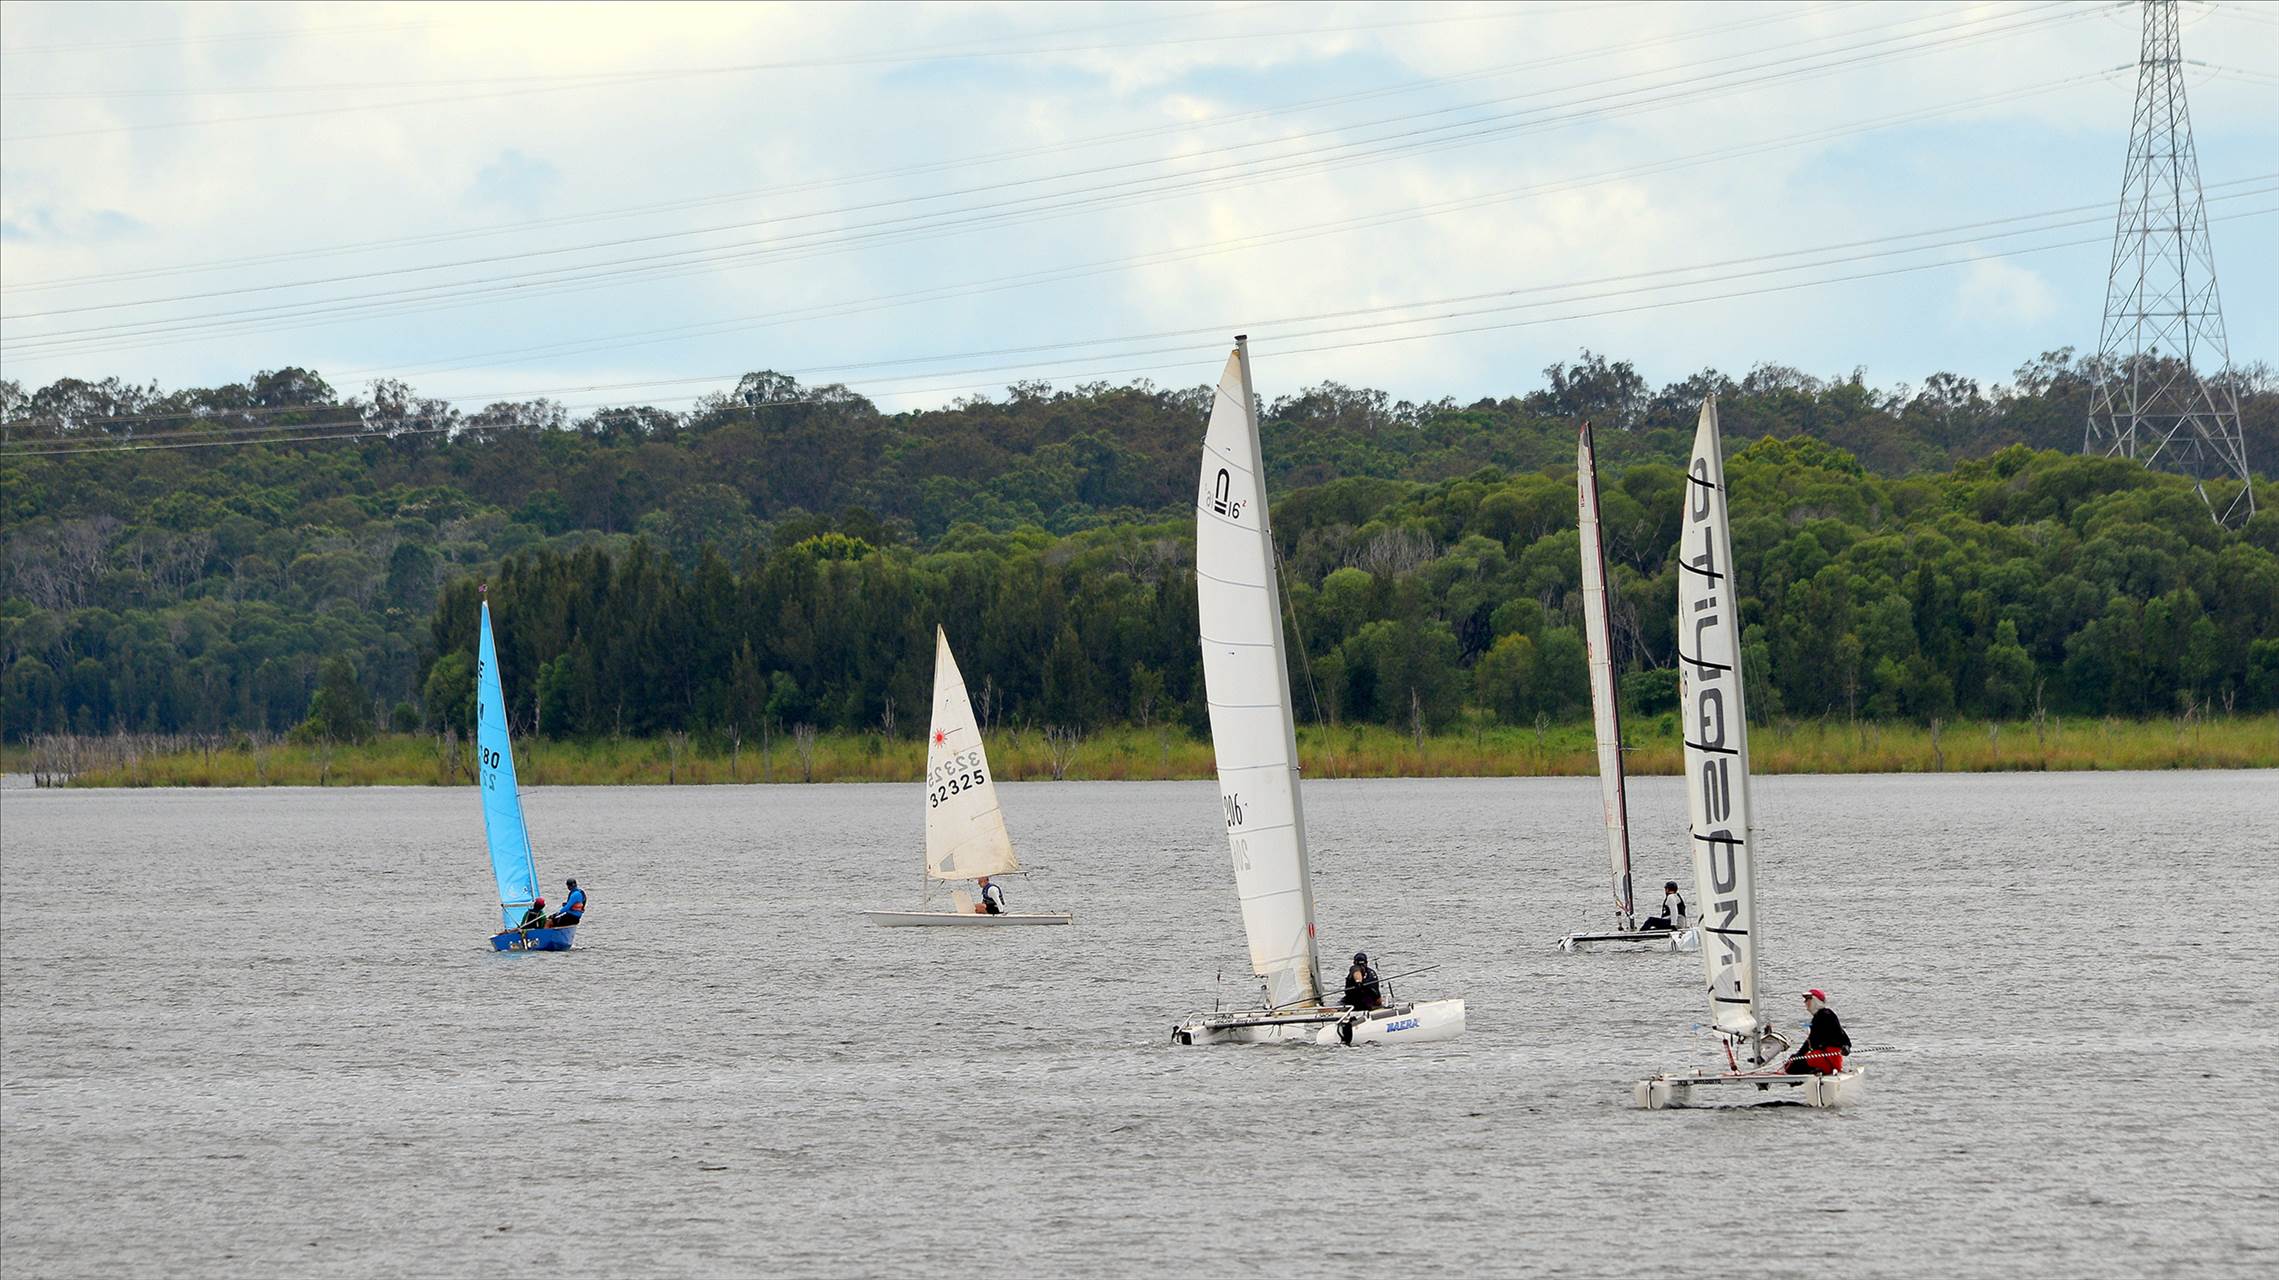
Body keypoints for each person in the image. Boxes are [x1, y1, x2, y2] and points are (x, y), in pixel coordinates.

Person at [1785, 989, 1852, 1074]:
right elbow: (1811, 1040)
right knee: (1794, 1060)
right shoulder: (1823, 1016)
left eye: (1807, 999)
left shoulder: (1825, 1016)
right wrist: (1798, 1055)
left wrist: (1847, 1046)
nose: (1805, 1003)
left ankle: (1817, 1073)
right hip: (1824, 1058)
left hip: (1828, 1059)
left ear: (1815, 1001)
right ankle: (1815, 1072)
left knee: (1792, 1066)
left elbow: (1812, 1041)